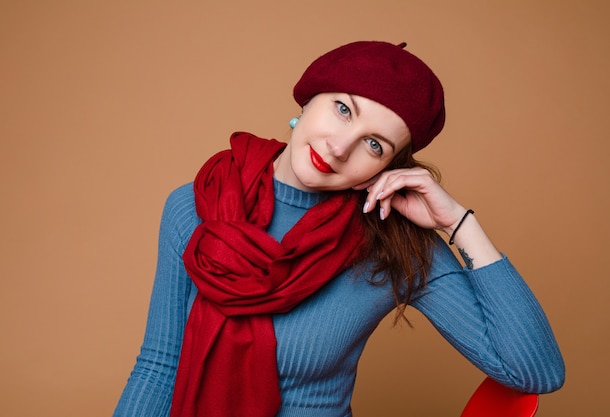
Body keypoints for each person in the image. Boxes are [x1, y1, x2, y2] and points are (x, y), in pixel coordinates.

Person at [113, 41, 565, 417]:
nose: (340, 146)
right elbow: (159, 367)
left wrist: (459, 224)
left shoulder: (393, 243)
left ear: (388, 165)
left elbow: (535, 373)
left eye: (374, 144)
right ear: (308, 98)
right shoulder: (195, 207)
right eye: (343, 109)